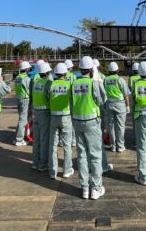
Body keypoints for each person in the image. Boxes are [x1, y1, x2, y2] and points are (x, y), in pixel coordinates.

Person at [72, 56, 106, 200]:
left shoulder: (73, 84)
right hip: (92, 121)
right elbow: (102, 100)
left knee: (82, 156)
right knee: (95, 156)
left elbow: (70, 102)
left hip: (77, 121)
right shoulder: (93, 83)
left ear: (80, 69)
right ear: (91, 69)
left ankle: (85, 188)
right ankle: (96, 188)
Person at [46, 62, 74, 179]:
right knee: (67, 145)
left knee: (53, 145)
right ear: (65, 73)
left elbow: (47, 97)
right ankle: (67, 170)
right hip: (66, 116)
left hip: (53, 117)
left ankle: (53, 171)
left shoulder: (50, 84)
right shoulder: (69, 84)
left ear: (56, 73)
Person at [103, 62, 130, 152]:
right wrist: (128, 105)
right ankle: (120, 146)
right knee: (120, 126)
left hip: (109, 104)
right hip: (120, 104)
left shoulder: (105, 80)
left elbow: (103, 93)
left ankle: (113, 145)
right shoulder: (120, 79)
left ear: (109, 71)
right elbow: (126, 94)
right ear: (117, 70)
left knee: (111, 125)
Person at [31, 62, 52, 172]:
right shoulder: (48, 83)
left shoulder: (36, 82)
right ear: (48, 72)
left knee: (36, 140)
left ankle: (35, 162)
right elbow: (50, 98)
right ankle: (43, 164)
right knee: (44, 139)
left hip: (36, 112)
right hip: (45, 112)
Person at [14, 61, 32, 146]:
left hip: (18, 99)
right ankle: (19, 139)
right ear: (26, 69)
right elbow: (30, 91)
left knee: (21, 119)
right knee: (23, 120)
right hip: (25, 100)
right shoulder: (27, 79)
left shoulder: (17, 77)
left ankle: (17, 137)